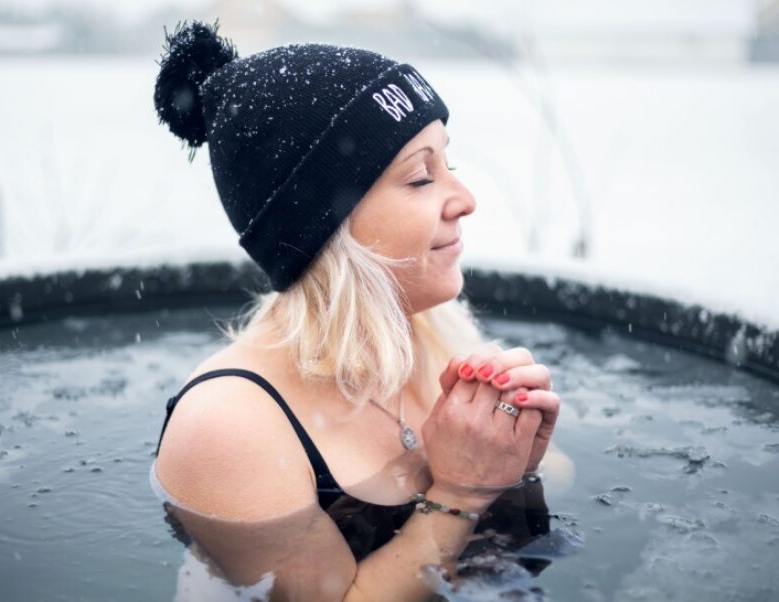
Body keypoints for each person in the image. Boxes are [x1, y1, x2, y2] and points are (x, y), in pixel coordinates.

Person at [151, 19, 565, 601]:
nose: (465, 201)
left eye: (450, 164)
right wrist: (462, 494)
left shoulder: (430, 332)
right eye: (422, 177)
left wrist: (513, 466)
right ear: (326, 227)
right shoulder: (230, 426)